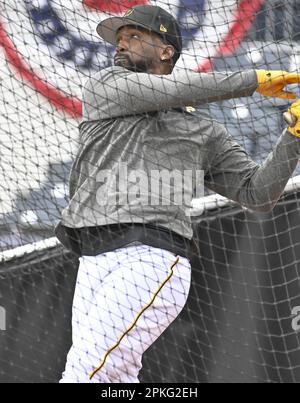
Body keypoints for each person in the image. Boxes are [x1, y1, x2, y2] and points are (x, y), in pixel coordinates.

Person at [56, 4, 300, 383]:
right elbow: (177, 88)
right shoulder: (107, 85)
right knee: (115, 378)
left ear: (166, 51)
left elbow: (258, 194)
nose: (120, 46)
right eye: (119, 40)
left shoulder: (204, 132)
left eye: (134, 37)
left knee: (86, 373)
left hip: (151, 258)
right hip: (92, 260)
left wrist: (293, 137)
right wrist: (252, 80)